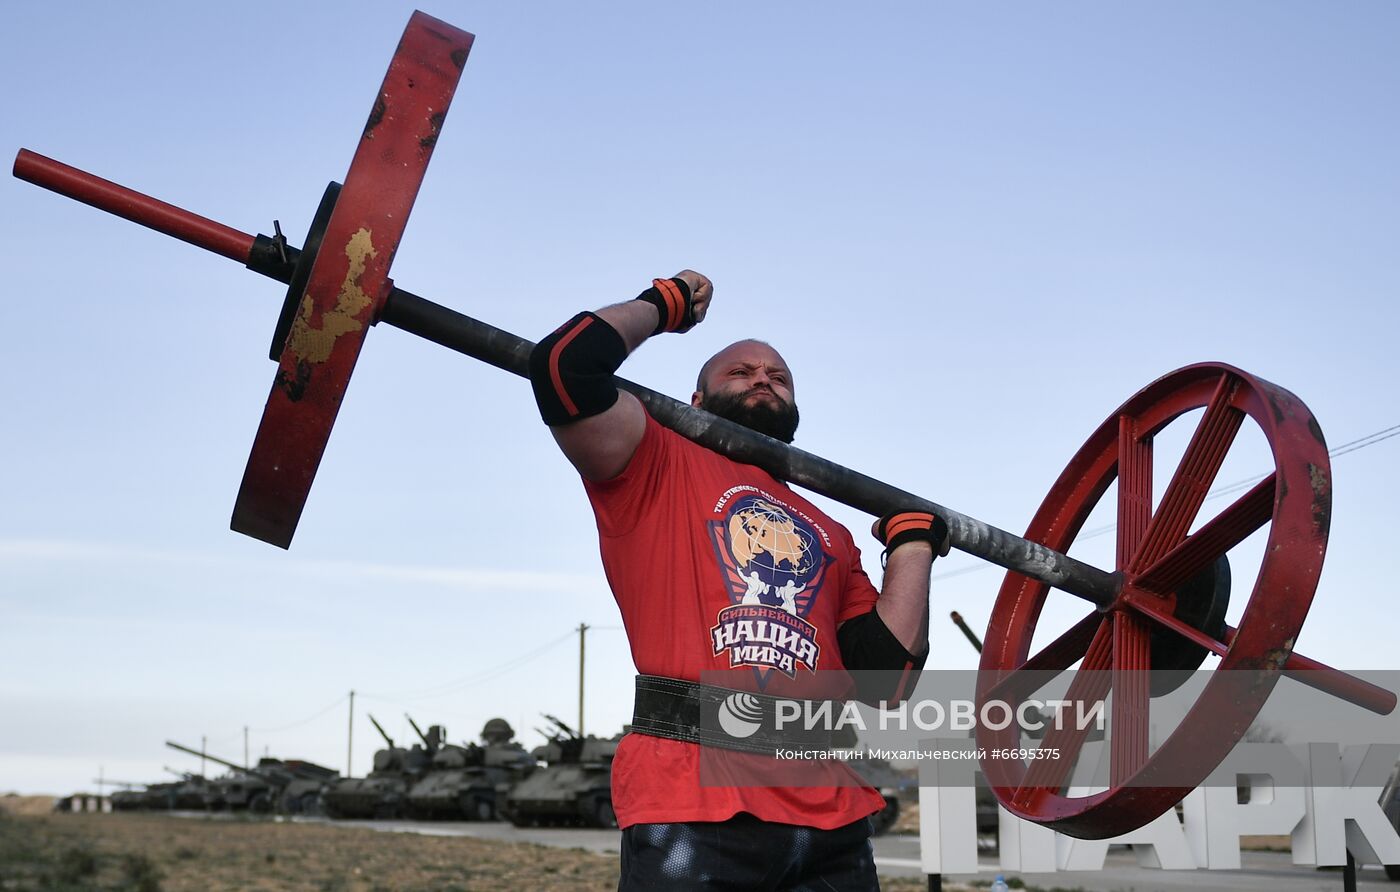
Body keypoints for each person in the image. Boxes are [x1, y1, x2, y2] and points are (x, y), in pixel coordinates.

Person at [528, 271, 949, 891]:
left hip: (829, 808)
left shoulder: (830, 531)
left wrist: (912, 546)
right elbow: (565, 369)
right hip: (694, 794)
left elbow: (887, 679)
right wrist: (663, 305)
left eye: (778, 376)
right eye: (740, 371)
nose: (762, 379)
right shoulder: (655, 458)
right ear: (695, 402)